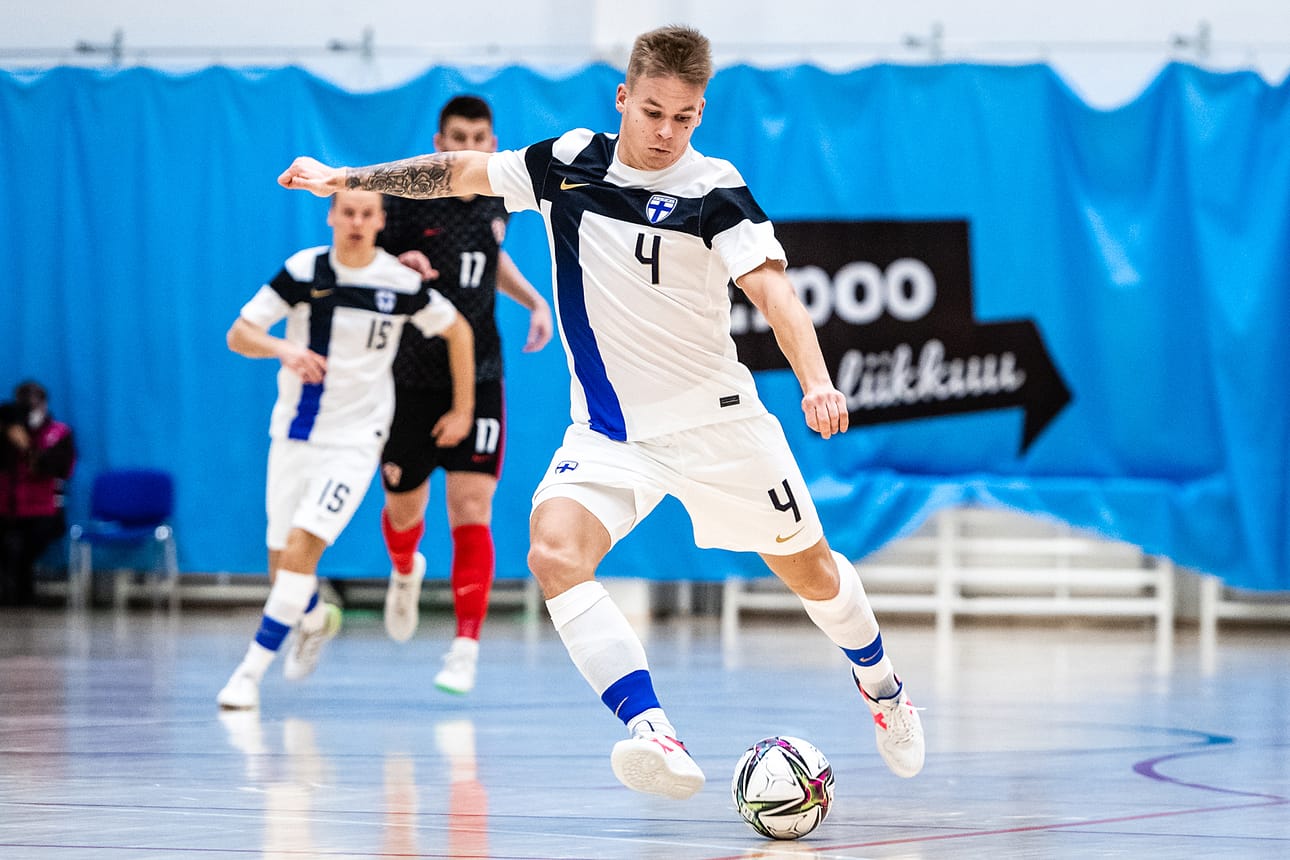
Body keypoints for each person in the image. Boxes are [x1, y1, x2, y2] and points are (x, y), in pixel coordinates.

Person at [277, 24, 924, 798]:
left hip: (719, 427)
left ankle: (883, 688)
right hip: (612, 435)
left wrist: (816, 380)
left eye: (684, 118)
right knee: (553, 550)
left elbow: (776, 297)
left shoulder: (715, 190)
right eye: (652, 111)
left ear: (700, 113)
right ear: (624, 96)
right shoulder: (566, 164)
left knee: (813, 574)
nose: (665, 132)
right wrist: (347, 175)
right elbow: (457, 171)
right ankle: (655, 732)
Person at [216, 189, 475, 711]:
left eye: (367, 213)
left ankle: (248, 673)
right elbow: (239, 334)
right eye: (348, 212)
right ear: (332, 216)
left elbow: (458, 331)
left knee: (303, 549)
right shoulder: (303, 270)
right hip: (294, 432)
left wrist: (464, 407)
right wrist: (284, 348)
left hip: (357, 441)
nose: (356, 222)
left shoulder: (400, 282)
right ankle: (314, 620)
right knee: (281, 561)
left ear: (381, 221)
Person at [375, 95, 553, 696]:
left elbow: (490, 259)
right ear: (438, 140)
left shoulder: (501, 198)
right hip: (407, 379)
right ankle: (405, 570)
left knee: (471, 510)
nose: (470, 148)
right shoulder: (405, 197)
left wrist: (532, 301)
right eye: (458, 137)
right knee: (405, 512)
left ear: (493, 141)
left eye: (480, 138)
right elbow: (369, 264)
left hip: (478, 377)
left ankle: (465, 647)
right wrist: (400, 263)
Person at [0, 380, 76, 606]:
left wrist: (29, 448)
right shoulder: (8, 431)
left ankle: (21, 593)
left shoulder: (58, 433)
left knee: (27, 543)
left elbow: (60, 469)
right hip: (8, 506)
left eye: (36, 399)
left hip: (43, 509)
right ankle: (12, 592)